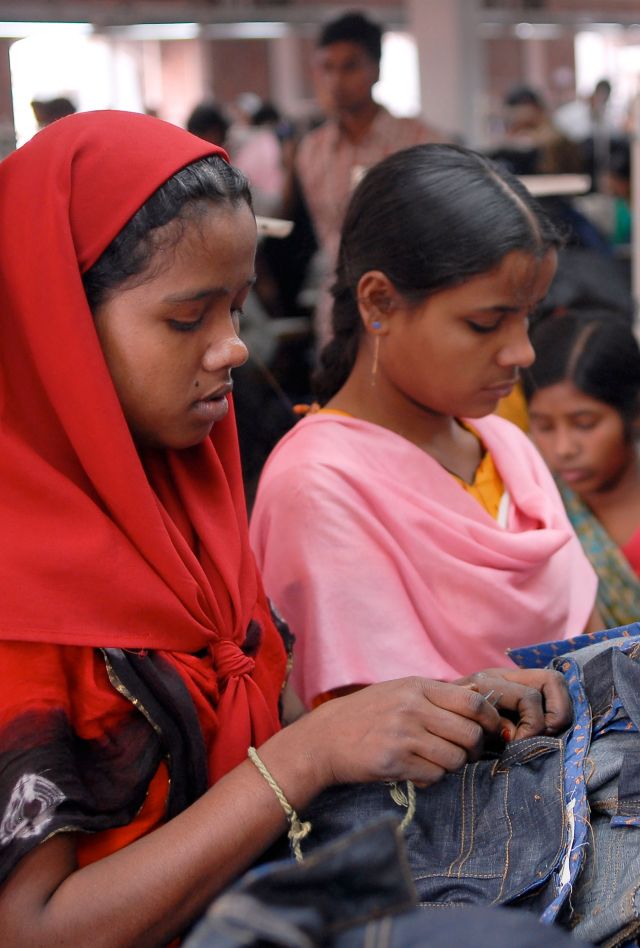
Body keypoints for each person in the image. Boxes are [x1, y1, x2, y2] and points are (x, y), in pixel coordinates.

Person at [0, 110, 571, 945]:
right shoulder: (21, 590)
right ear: (57, 326)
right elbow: (32, 928)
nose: (234, 348)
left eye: (236, 309)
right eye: (187, 319)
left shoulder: (182, 508)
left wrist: (435, 709)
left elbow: (257, 718)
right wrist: (309, 757)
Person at [250, 143, 601, 711]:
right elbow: (371, 734)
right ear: (379, 302)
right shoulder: (318, 485)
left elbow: (591, 647)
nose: (522, 351)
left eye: (527, 316)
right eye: (485, 322)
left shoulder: (508, 447)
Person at [293, 10, 444, 345]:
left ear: (376, 69)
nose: (336, 81)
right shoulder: (312, 151)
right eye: (327, 68)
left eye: (350, 66)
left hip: (410, 299)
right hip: (339, 306)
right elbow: (325, 234)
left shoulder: (421, 141)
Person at [523, 312, 640, 628]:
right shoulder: (534, 518)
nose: (564, 448)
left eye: (585, 424)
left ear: (634, 412)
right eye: (544, 426)